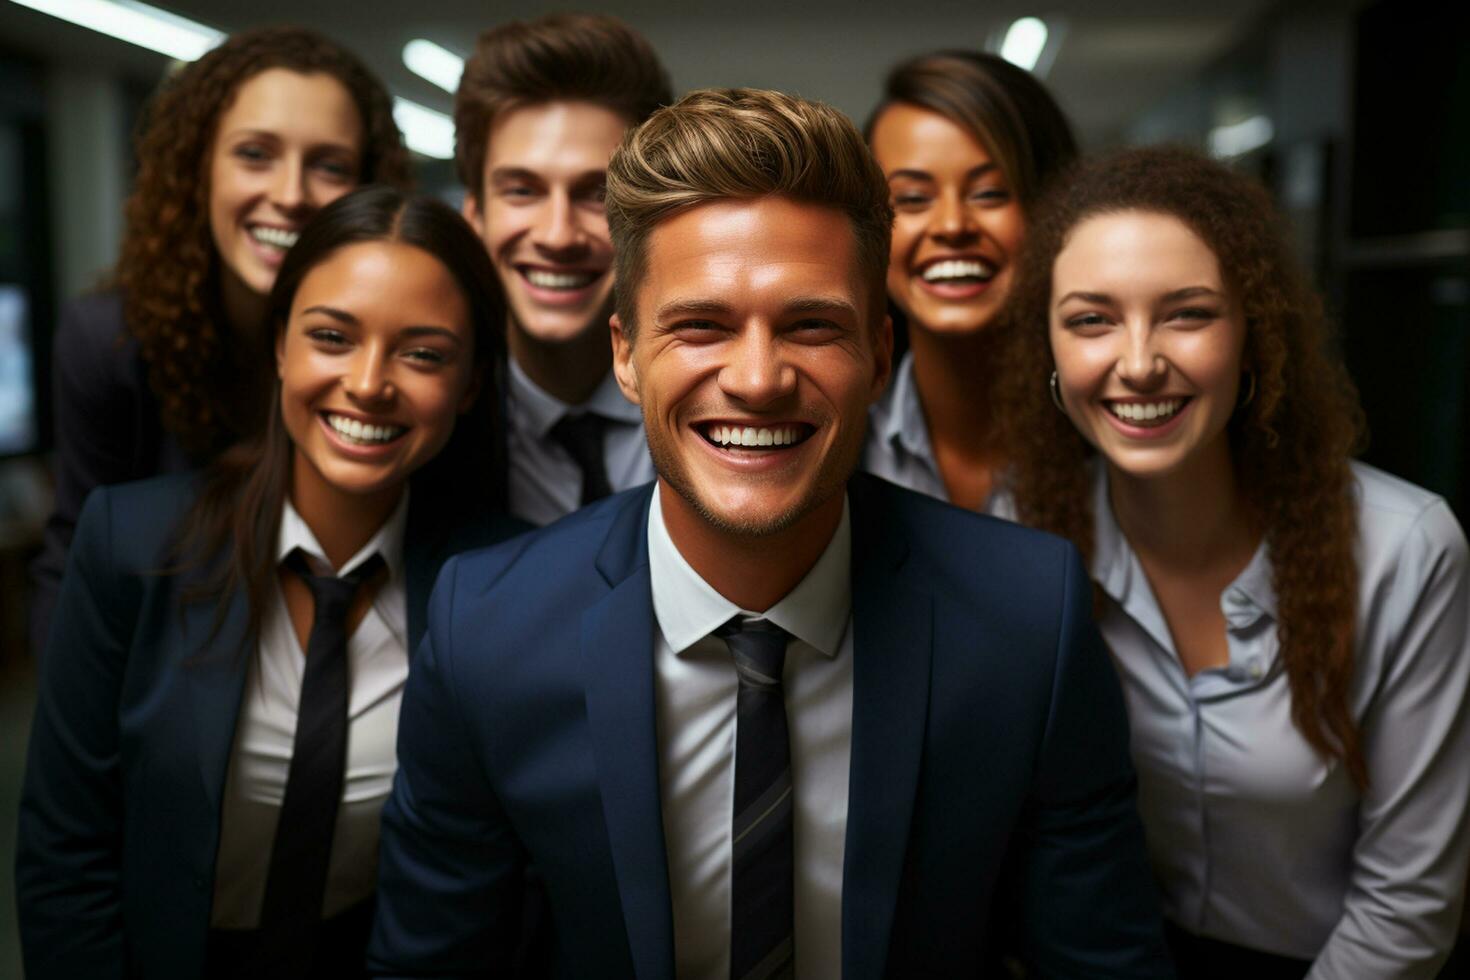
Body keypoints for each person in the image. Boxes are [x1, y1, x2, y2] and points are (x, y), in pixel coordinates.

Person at [367, 88, 1173, 978]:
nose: (757, 379)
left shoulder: (1028, 620)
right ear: (626, 355)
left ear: (879, 356)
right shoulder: (489, 627)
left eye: (811, 325)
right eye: (702, 326)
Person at [17, 187, 526, 979]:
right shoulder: (131, 544)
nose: (367, 383)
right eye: (331, 336)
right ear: (281, 347)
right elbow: (65, 848)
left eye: (422, 353)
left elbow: (487, 889)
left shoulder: (500, 588)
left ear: (468, 383)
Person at [1002, 146, 1470, 977]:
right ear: (1048, 344)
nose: (1139, 361)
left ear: (1255, 332)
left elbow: (1409, 901)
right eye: (1091, 320)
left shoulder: (1407, 549)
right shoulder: (1020, 539)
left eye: (1188, 314)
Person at [28, 26, 411, 658]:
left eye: (329, 165)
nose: (290, 195)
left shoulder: (394, 353)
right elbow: (73, 552)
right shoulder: (111, 340)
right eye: (255, 154)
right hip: (154, 661)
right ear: (199, 167)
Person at [454, 12, 671, 525]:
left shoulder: (718, 401)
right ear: (475, 217)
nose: (557, 235)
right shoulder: (433, 422)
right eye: (522, 190)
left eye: (597, 194)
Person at [863, 50, 1077, 513]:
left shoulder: (1120, 440)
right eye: (913, 198)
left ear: (1054, 209)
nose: (953, 225)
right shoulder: (835, 444)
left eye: (989, 193)